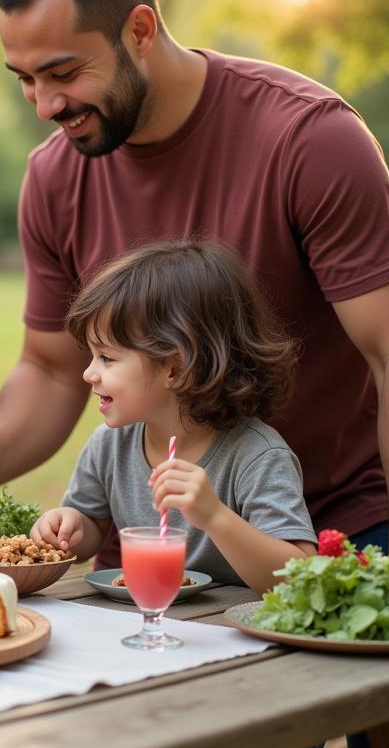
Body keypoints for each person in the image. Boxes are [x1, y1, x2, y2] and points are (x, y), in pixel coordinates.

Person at [0, 0, 389, 748]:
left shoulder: (309, 139)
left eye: (64, 72)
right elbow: (53, 369)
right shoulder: (55, 177)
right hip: (181, 565)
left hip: (349, 529)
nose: (46, 105)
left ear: (141, 29)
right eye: (25, 80)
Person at [31, 239, 316, 595]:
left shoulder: (256, 457)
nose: (89, 373)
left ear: (174, 367)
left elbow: (298, 576)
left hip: (234, 632)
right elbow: (91, 525)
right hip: (148, 625)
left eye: (106, 357)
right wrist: (71, 525)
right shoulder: (109, 445)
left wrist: (214, 516)